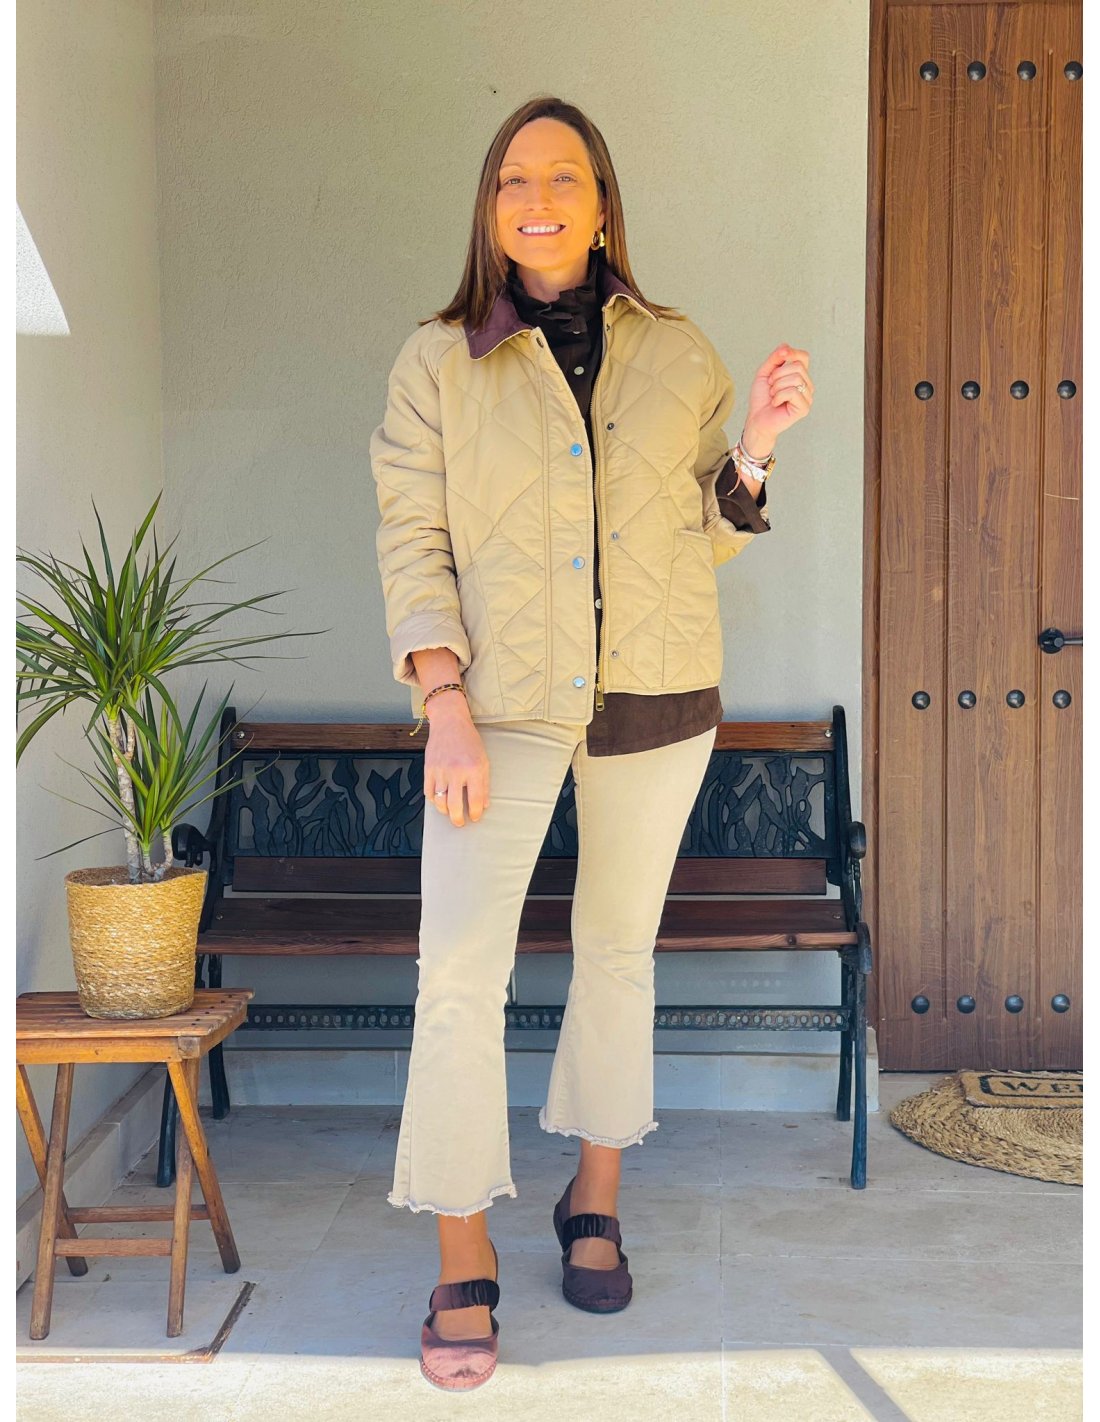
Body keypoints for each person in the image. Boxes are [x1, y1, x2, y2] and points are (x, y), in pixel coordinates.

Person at [369, 95, 813, 1390]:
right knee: (460, 972)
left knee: (617, 954)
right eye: (514, 179)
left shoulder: (678, 350)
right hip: (496, 708)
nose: (538, 198)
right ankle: (461, 1247)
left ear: (603, 201)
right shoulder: (437, 362)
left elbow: (704, 529)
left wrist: (759, 447)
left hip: (656, 697)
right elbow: (412, 540)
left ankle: (596, 1196)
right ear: (489, 207)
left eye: (563, 177)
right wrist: (443, 700)